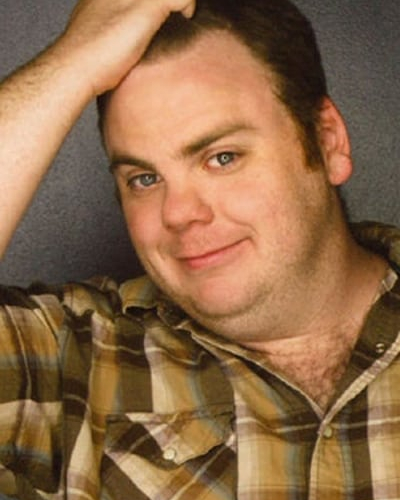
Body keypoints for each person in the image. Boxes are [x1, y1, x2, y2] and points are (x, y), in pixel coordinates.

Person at [1, 0, 400, 498]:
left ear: (327, 141)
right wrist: (71, 63)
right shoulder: (77, 359)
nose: (179, 212)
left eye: (222, 157)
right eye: (144, 178)